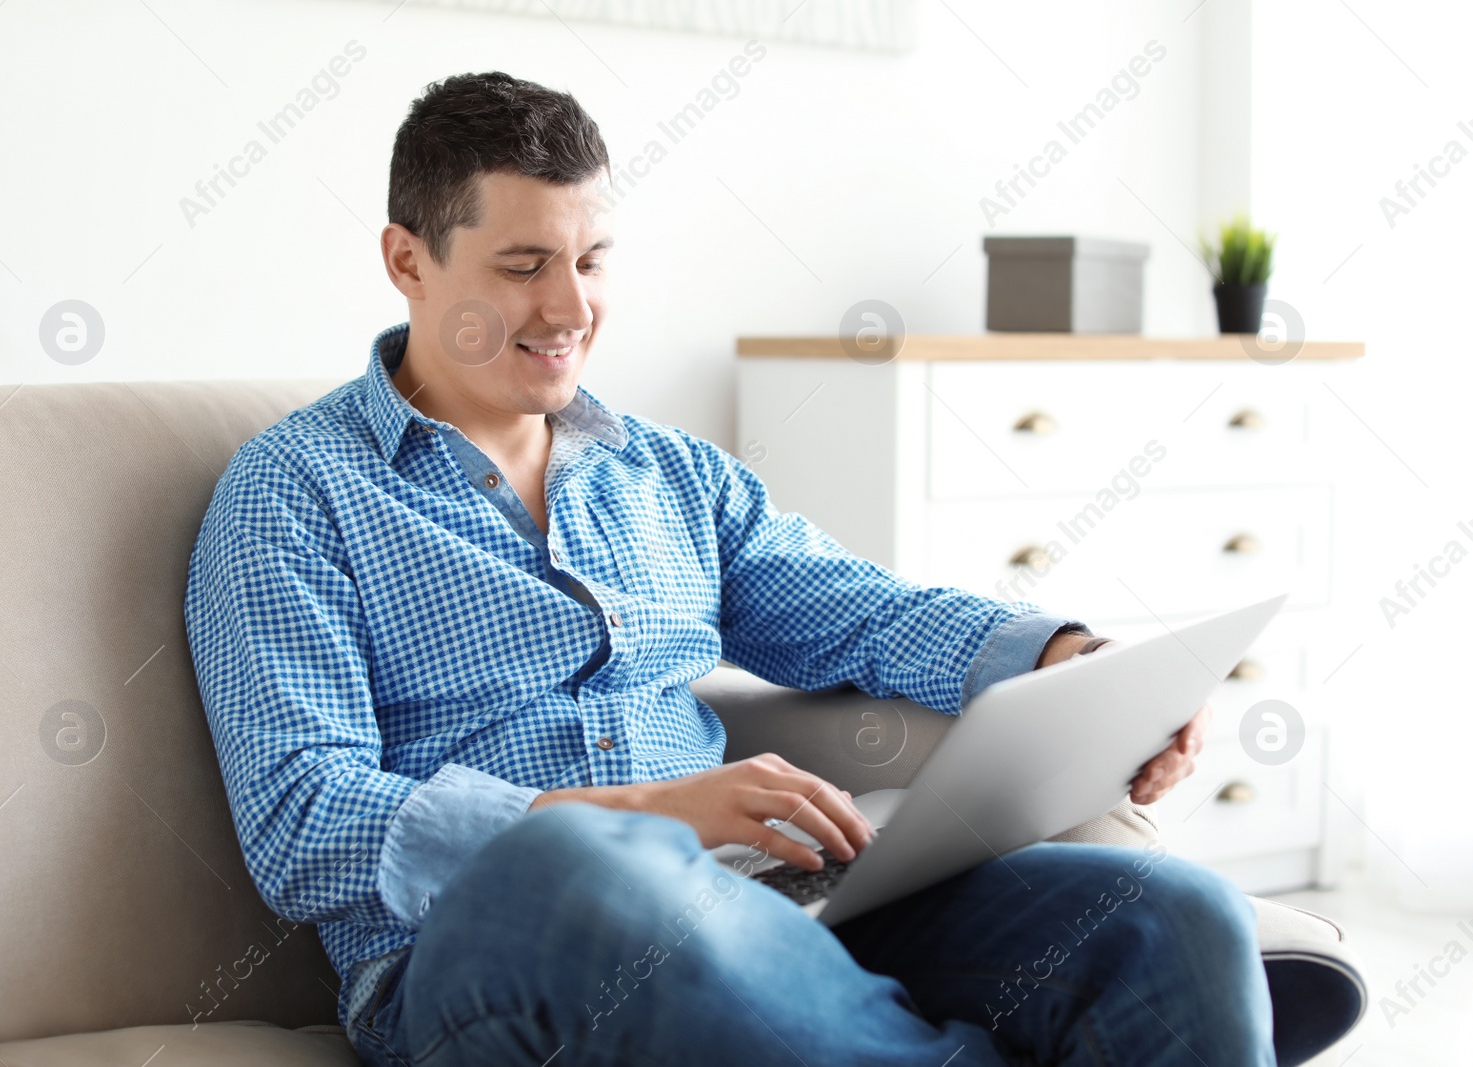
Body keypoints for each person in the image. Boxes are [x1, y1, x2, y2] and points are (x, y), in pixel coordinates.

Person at [183, 70, 1272, 1066]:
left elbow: (867, 617)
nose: (570, 310)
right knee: (586, 867)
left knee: (1170, 914)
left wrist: (1064, 655)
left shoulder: (672, 475)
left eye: (591, 261)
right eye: (523, 267)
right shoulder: (293, 494)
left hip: (765, 907)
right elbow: (302, 819)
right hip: (484, 950)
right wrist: (651, 810)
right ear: (406, 260)